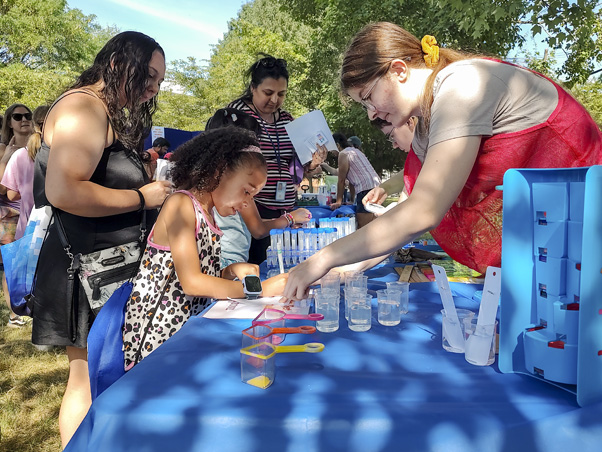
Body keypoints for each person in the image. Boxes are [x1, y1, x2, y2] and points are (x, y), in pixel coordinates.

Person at [283, 21, 601, 300]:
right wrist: (344, 268)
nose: (372, 114)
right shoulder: (425, 126)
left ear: (398, 70)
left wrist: (322, 259)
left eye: (368, 97)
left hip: (582, 230)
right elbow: (403, 220)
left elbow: (423, 211)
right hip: (555, 240)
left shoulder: (462, 85)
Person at [30, 31, 171, 448]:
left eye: (160, 80)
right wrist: (140, 196)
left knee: (98, 374)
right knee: (87, 379)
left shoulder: (100, 112)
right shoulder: (83, 107)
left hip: (102, 267)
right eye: (148, 75)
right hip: (88, 273)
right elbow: (64, 190)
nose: (153, 88)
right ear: (115, 64)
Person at [122, 127, 288, 369]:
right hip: (158, 339)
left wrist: (230, 271)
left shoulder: (207, 212)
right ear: (219, 171)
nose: (246, 203)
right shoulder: (181, 205)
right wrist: (260, 290)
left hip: (187, 332)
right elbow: (191, 283)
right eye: (246, 191)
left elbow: (196, 278)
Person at [227, 54, 326, 264]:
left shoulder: (287, 119)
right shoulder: (237, 116)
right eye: (268, 92)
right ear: (253, 87)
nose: (274, 100)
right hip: (254, 212)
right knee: (258, 267)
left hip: (287, 206)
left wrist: (313, 163)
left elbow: (298, 167)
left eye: (281, 94)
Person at [206, 108, 312, 268]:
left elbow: (245, 223)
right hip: (231, 263)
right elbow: (257, 229)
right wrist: (289, 218)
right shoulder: (235, 184)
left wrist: (286, 222)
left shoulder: (210, 176)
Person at [0, 103, 33, 327]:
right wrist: (6, 158)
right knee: (12, 263)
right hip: (10, 214)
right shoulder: (3, 148)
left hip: (35, 211)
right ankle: (14, 313)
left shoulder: (39, 145)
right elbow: (3, 190)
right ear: (9, 123)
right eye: (17, 116)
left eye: (27, 115)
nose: (23, 119)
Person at [329, 132, 381, 228]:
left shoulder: (343, 154)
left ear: (337, 145)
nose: (331, 152)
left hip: (366, 189)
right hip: (377, 187)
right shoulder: (355, 151)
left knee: (364, 228)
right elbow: (352, 181)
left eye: (331, 148)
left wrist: (338, 202)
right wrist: (352, 200)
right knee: (374, 222)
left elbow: (341, 180)